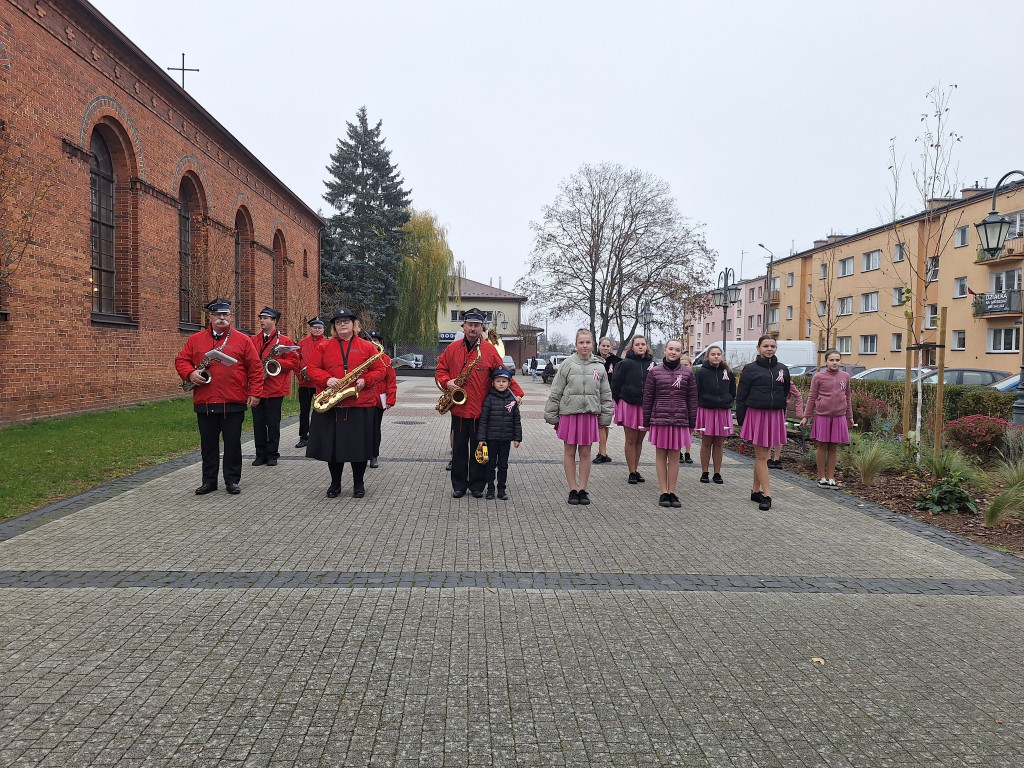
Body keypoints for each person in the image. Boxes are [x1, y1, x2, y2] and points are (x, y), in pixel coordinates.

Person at [174, 298, 262, 495]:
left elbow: (255, 368)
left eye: (226, 314)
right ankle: (209, 481)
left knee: (233, 444)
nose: (222, 318)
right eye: (218, 314)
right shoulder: (195, 339)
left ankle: (232, 480)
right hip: (205, 400)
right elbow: (181, 360)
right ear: (210, 317)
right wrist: (190, 373)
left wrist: (255, 393)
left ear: (230, 317)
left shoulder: (243, 340)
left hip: (233, 400)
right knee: (208, 445)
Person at [436, 307, 524, 498]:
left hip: (480, 411)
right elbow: (441, 370)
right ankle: (459, 485)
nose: (473, 328)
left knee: (480, 450)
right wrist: (447, 382)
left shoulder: (489, 350)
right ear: (464, 326)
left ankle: (477, 485)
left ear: (482, 327)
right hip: (459, 408)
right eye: (470, 325)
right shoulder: (452, 348)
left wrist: (517, 393)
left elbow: (503, 373)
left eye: (476, 325)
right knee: (459, 449)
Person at [304, 307, 386, 499]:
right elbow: (311, 369)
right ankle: (335, 484)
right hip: (333, 404)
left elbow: (381, 370)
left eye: (346, 321)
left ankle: (359, 484)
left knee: (359, 449)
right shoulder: (324, 346)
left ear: (353, 324)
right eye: (338, 322)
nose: (342, 324)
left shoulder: (368, 347)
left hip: (360, 404)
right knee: (333, 449)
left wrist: (365, 380)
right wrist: (327, 379)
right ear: (334, 327)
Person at [543, 329, 613, 506]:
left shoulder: (599, 366)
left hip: (589, 415)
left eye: (588, 342)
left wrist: (606, 416)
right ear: (575, 344)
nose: (585, 346)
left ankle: (583, 489)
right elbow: (556, 390)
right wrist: (551, 413)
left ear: (593, 345)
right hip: (569, 414)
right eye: (581, 342)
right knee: (569, 452)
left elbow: (605, 394)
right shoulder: (567, 364)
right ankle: (572, 489)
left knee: (586, 453)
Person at [736, 335, 802, 511]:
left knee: (763, 456)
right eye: (765, 346)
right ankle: (767, 495)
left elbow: (785, 391)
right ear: (758, 348)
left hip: (774, 415)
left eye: (772, 346)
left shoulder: (782, 369)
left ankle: (755, 490)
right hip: (757, 414)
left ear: (776, 348)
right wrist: (742, 419)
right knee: (762, 456)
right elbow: (741, 395)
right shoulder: (750, 369)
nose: (769, 349)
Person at [641, 339, 697, 508]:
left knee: (674, 456)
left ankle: (672, 491)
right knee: (661, 455)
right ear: (664, 350)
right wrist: (646, 421)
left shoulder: (688, 373)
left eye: (677, 350)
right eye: (671, 349)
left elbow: (692, 399)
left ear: (681, 352)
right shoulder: (654, 372)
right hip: (660, 419)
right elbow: (648, 398)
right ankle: (663, 492)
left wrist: (692, 422)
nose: (673, 352)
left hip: (679, 420)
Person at [251, 307, 299, 467]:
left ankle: (272, 454)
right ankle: (260, 455)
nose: (262, 321)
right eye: (261, 318)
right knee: (258, 424)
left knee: (273, 424)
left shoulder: (285, 341)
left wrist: (276, 362)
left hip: (275, 388)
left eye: (265, 318)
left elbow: (294, 362)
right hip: (257, 388)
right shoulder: (253, 340)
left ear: (274, 321)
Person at [801, 349, 854, 487]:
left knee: (834, 447)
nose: (834, 362)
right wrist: (806, 416)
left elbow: (848, 397)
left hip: (839, 416)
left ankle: (831, 477)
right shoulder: (818, 377)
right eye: (831, 360)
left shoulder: (845, 376)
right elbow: (812, 396)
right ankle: (822, 477)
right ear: (826, 361)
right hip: (822, 416)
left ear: (840, 361)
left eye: (837, 360)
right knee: (822, 446)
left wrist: (849, 417)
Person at [611, 335, 654, 485]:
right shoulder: (625, 363)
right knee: (630, 439)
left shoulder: (652, 364)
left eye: (643, 344)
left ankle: (636, 468)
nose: (640, 347)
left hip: (645, 406)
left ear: (646, 346)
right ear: (632, 347)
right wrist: (619, 401)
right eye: (637, 344)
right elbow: (616, 383)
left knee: (639, 441)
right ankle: (631, 472)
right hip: (629, 404)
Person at [476, 367, 522, 500]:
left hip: (505, 439)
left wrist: (517, 438)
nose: (501, 384)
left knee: (503, 465)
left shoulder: (512, 401)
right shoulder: (489, 399)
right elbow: (483, 421)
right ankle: (490, 489)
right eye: (498, 381)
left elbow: (516, 421)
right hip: (491, 439)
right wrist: (481, 438)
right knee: (490, 465)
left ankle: (501, 489)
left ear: (509, 383)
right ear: (493, 383)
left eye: (504, 381)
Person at [694, 345, 735, 484]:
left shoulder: (728, 372)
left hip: (723, 410)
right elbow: (696, 391)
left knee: (719, 443)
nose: (716, 356)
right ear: (707, 356)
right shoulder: (701, 372)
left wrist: (728, 400)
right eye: (713, 354)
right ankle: (704, 472)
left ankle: (717, 473)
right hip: (707, 410)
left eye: (718, 354)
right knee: (706, 442)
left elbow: (732, 391)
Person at [366, 330, 397, 468]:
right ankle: (361, 455)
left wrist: (390, 399)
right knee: (361, 429)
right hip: (361, 398)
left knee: (374, 429)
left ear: (380, 343)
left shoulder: (386, 359)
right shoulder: (362, 356)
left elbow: (391, 381)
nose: (373, 343)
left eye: (376, 341)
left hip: (377, 400)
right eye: (370, 341)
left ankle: (374, 456)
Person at [294, 316, 326, 448]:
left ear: (323, 329)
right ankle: (304, 437)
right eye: (314, 327)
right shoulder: (302, 343)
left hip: (320, 384)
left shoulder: (328, 343)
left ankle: (320, 436)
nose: (317, 330)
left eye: (320, 328)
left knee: (321, 410)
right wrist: (300, 377)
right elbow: (295, 361)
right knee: (304, 411)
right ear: (310, 329)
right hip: (305, 384)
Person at [594, 336, 622, 464]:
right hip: (596, 395)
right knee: (601, 424)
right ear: (599, 346)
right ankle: (602, 452)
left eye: (608, 346)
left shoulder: (617, 361)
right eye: (603, 346)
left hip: (610, 397)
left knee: (604, 424)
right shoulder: (594, 360)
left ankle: (602, 452)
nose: (605, 348)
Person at [677, 353, 696, 465]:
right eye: (682, 365)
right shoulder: (677, 377)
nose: (684, 367)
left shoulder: (693, 377)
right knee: (679, 431)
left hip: (690, 407)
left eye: (686, 365)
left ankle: (687, 452)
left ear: (690, 365)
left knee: (689, 431)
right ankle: (679, 452)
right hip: (680, 407)